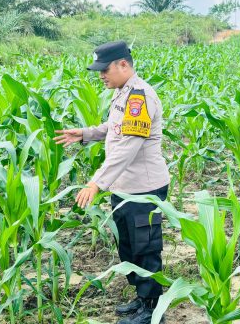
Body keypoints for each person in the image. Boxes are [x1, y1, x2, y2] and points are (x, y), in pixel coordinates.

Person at [54, 41, 170, 324]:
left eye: (104, 70)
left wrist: (96, 183)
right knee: (128, 246)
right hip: (124, 187)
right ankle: (142, 298)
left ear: (123, 65)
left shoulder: (140, 97)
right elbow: (115, 128)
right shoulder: (123, 93)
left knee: (145, 248)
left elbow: (127, 147)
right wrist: (85, 133)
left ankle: (153, 309)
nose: (101, 76)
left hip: (143, 189)